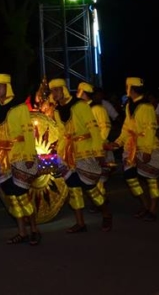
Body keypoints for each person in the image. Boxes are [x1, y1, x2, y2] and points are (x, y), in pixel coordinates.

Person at [48, 78, 112, 232]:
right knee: (73, 188)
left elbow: (94, 130)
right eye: (52, 91)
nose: (54, 93)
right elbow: (62, 133)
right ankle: (80, 222)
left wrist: (98, 152)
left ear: (63, 89)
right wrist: (59, 150)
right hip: (68, 154)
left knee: (90, 187)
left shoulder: (80, 105)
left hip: (84, 151)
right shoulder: (57, 111)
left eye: (57, 90)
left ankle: (106, 215)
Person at [0, 74, 41, 245]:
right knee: (11, 196)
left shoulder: (19, 107)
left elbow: (27, 132)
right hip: (2, 158)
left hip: (19, 155)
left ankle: (34, 230)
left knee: (22, 195)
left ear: (7, 87)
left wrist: (29, 155)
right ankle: (21, 231)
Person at [105, 77, 159, 221]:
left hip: (147, 147)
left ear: (131, 88)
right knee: (129, 177)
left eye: (127, 86)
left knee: (151, 180)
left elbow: (150, 129)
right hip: (131, 148)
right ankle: (145, 205)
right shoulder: (129, 105)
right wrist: (118, 143)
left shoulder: (147, 107)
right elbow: (127, 128)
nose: (126, 88)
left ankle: (153, 209)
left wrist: (147, 150)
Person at [77, 83, 113, 201]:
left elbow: (105, 128)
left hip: (98, 148)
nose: (77, 93)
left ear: (84, 93)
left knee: (100, 178)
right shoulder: (80, 109)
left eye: (79, 91)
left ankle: (101, 203)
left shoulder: (98, 109)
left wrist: (99, 143)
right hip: (86, 148)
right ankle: (97, 202)